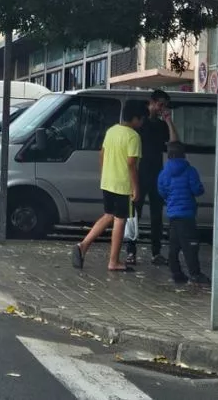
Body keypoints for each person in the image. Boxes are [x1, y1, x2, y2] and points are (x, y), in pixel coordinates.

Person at [73, 99, 147, 273]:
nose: (142, 122)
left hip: (108, 181)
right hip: (123, 184)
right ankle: (114, 261)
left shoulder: (112, 131)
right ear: (136, 118)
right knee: (120, 220)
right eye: (142, 118)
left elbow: (102, 154)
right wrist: (136, 187)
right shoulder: (133, 136)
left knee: (108, 215)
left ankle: (83, 245)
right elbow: (131, 164)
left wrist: (104, 173)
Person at [127, 90, 176, 266]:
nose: (162, 108)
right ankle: (131, 251)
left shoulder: (162, 125)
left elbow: (173, 142)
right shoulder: (141, 122)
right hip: (140, 173)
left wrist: (169, 120)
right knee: (135, 214)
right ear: (152, 102)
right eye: (160, 104)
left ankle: (156, 252)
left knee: (157, 215)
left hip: (157, 174)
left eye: (165, 105)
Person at [157, 141, 208, 284]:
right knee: (191, 245)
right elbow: (197, 190)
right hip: (187, 215)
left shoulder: (163, 173)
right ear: (183, 155)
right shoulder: (190, 171)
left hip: (173, 214)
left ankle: (176, 272)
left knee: (174, 245)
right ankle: (195, 273)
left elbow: (162, 191)